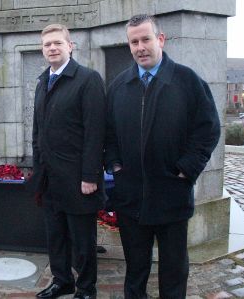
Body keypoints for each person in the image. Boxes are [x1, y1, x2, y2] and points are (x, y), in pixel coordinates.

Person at [104, 14, 221, 298]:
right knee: (135, 269)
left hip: (172, 195)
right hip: (131, 198)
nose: (140, 47)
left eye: (145, 39)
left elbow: (208, 129)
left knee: (173, 270)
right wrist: (115, 166)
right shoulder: (119, 85)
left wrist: (185, 170)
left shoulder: (187, 81)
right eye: (134, 42)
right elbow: (107, 134)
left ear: (160, 39)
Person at [30, 24, 106, 299]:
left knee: (83, 242)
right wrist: (38, 173)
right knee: (56, 237)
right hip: (50, 180)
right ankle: (62, 280)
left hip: (78, 180)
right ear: (42, 49)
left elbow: (96, 133)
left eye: (57, 43)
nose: (52, 48)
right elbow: (37, 132)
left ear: (70, 46)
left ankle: (86, 289)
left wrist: (90, 176)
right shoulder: (42, 82)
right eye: (47, 44)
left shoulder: (88, 80)